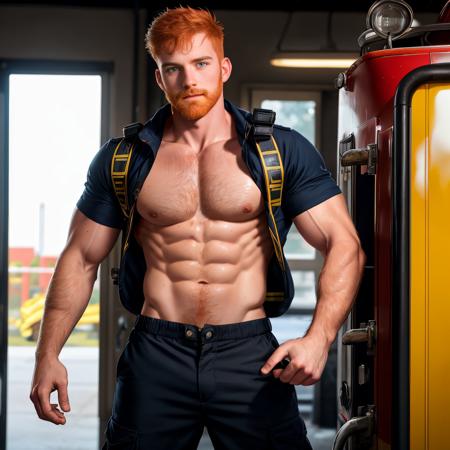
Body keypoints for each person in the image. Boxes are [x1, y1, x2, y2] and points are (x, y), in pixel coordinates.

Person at [29, 6, 366, 450]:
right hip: (157, 351)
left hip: (248, 352)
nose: (189, 80)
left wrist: (319, 339)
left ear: (224, 67)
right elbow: (81, 257)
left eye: (201, 64)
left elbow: (345, 244)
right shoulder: (124, 158)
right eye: (174, 68)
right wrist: (46, 354)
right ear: (160, 77)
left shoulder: (280, 149)